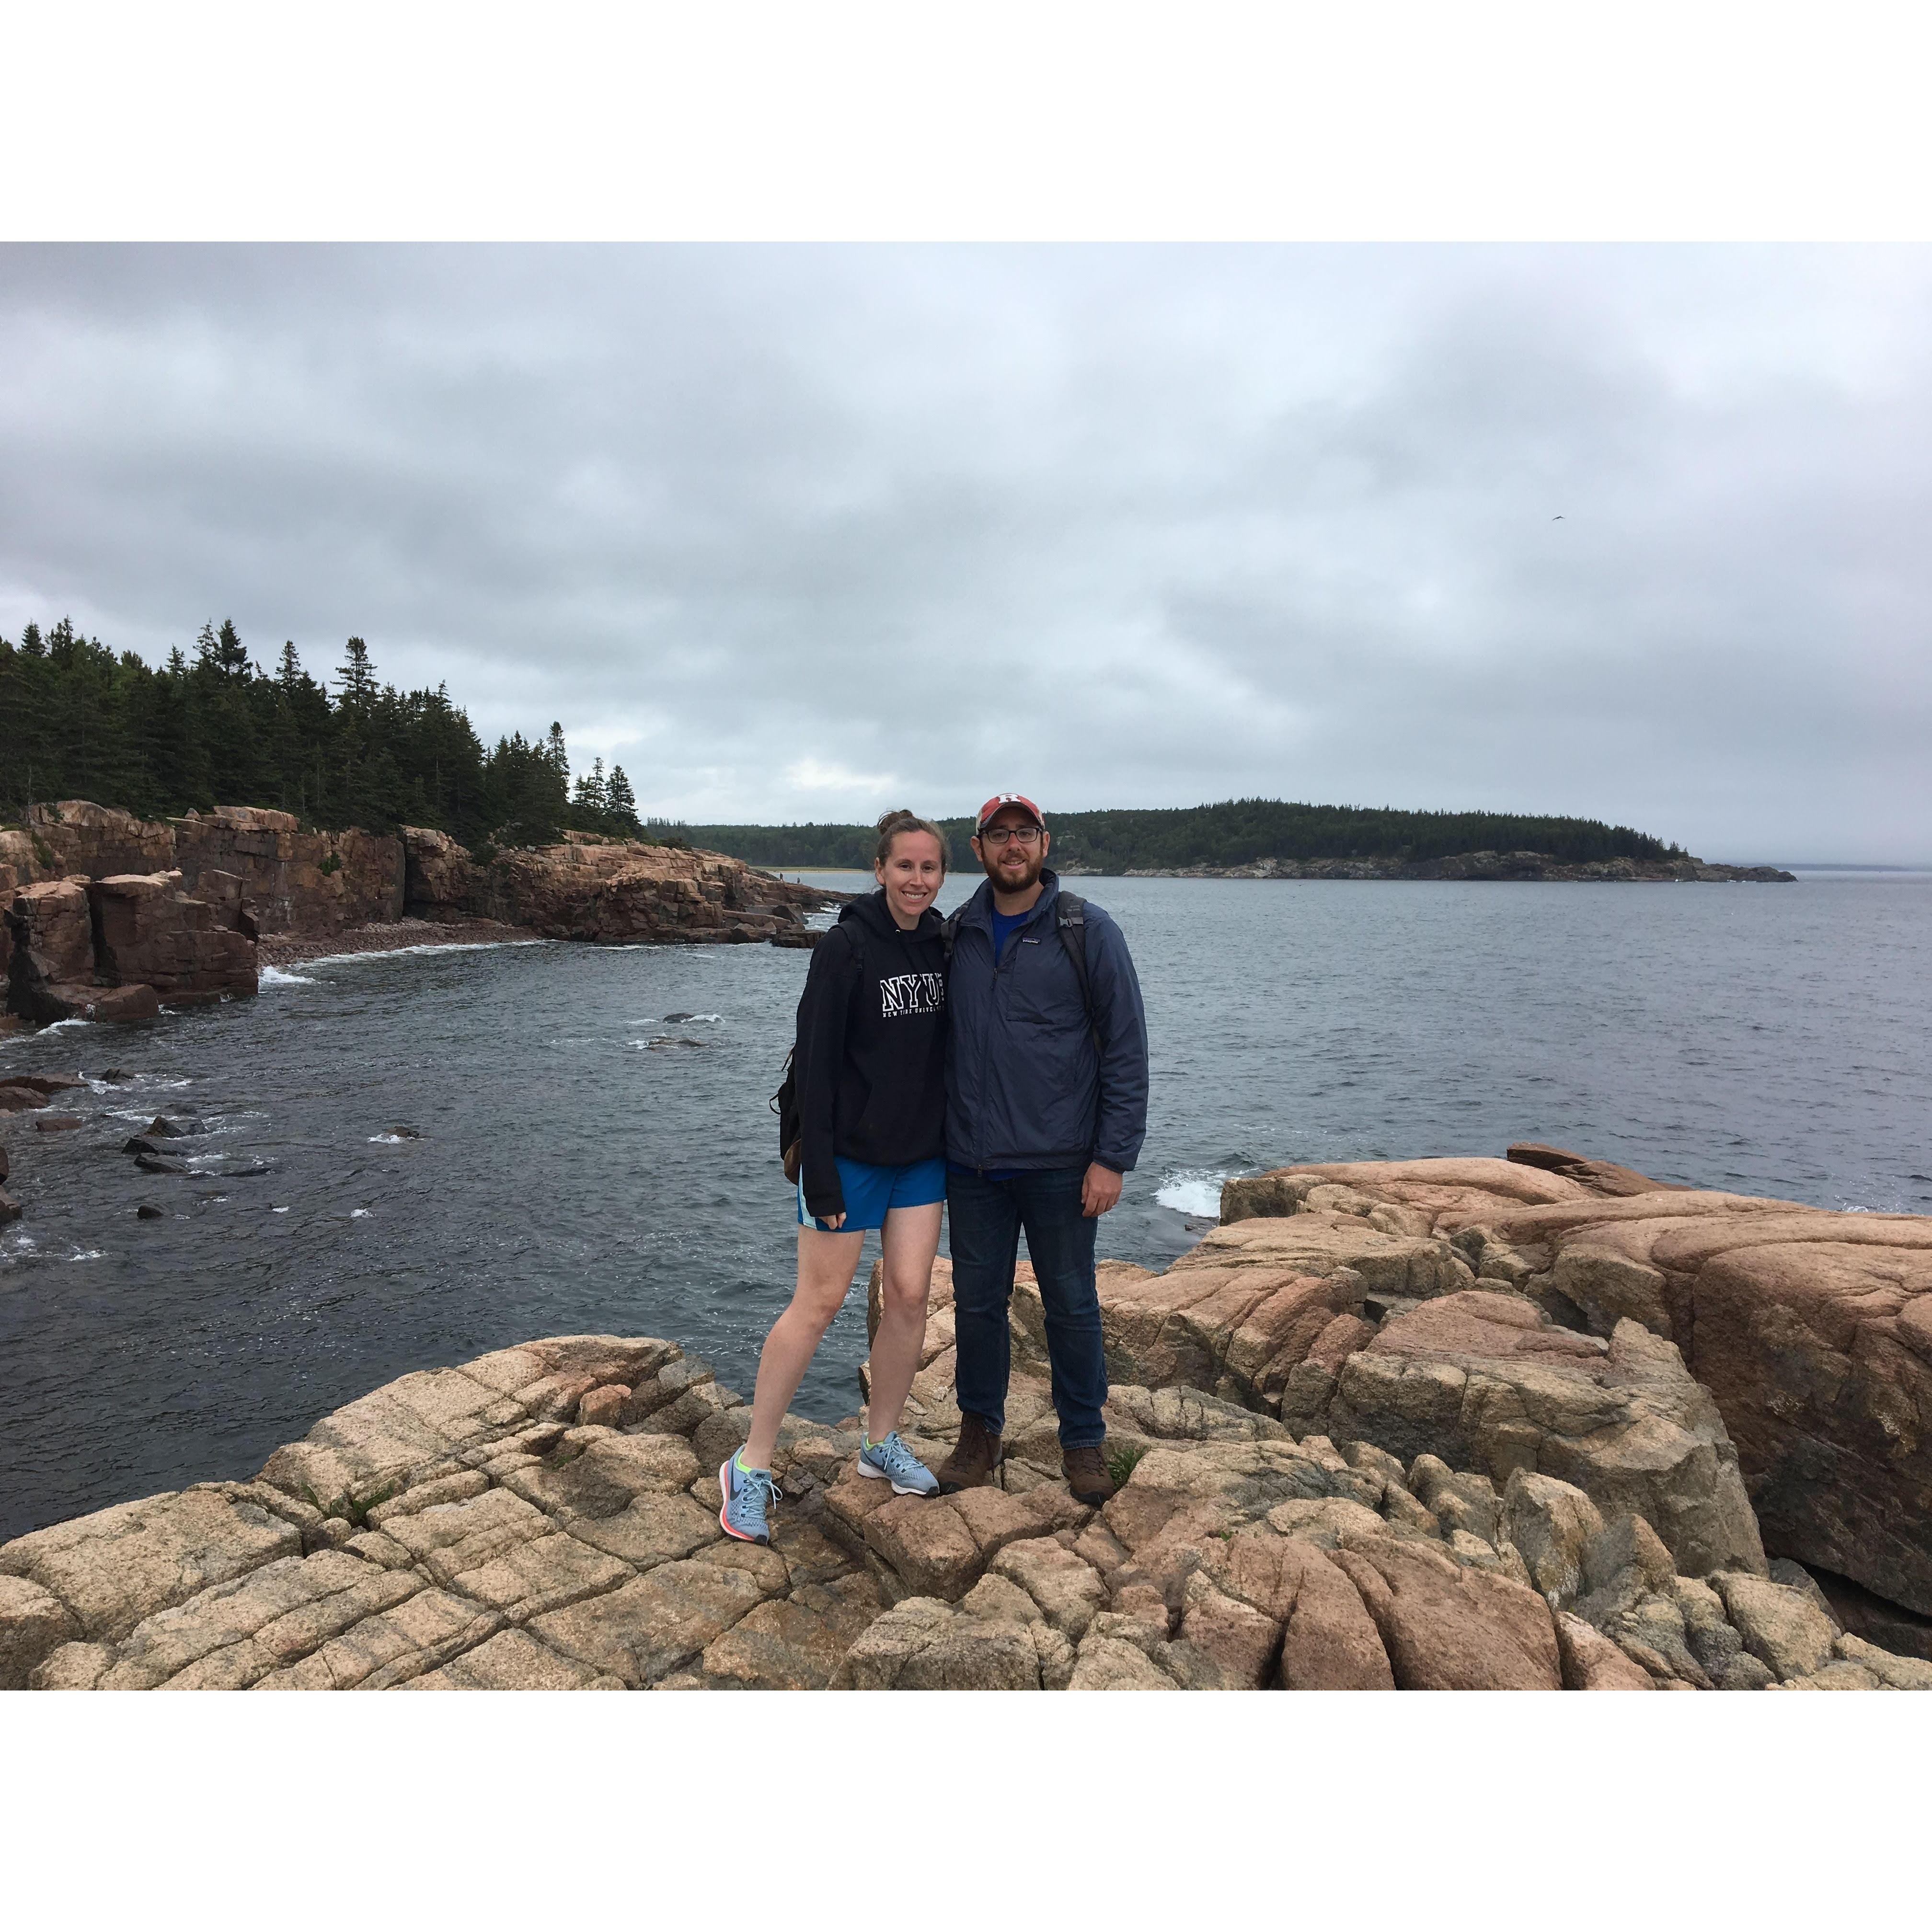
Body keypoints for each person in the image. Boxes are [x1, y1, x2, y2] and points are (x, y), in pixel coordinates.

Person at [720, 809, 952, 1543]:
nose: (917, 880)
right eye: (905, 866)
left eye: (930, 867)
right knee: (817, 1305)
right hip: (848, 1158)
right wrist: (819, 1177)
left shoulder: (947, 945)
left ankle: (881, 1442)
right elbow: (815, 1069)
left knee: (910, 1296)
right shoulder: (845, 949)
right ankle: (750, 1466)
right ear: (880, 871)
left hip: (921, 1157)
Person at [937, 792, 1149, 1506]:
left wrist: (1112, 1157)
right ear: (979, 849)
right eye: (999, 836)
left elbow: (1126, 1049)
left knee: (1071, 1303)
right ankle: (978, 1435)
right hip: (972, 1165)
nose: (1012, 846)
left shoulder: (1086, 930)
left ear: (1044, 844)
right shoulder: (955, 933)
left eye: (1024, 833)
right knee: (976, 1305)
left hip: (1064, 1163)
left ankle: (1084, 1441)